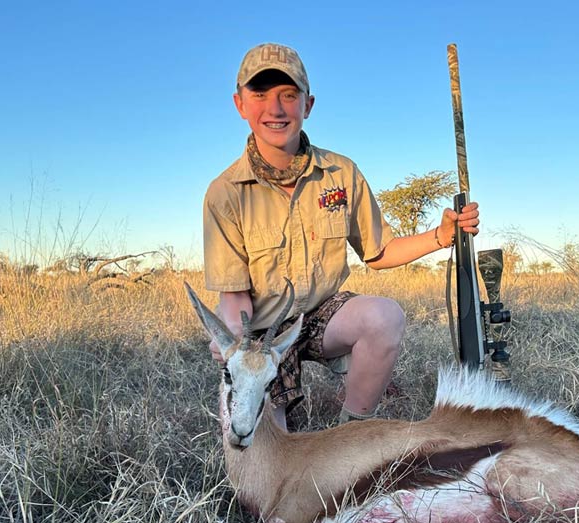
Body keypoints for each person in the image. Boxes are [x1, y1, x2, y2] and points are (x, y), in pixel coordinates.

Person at [203, 43, 480, 428]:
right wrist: (235, 343)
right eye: (260, 94)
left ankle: (352, 435)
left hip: (321, 317)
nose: (276, 108)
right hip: (263, 337)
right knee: (258, 456)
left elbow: (379, 251)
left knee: (384, 317)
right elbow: (234, 298)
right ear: (240, 104)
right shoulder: (224, 192)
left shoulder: (341, 173)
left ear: (308, 104)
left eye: (289, 95)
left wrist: (441, 235)